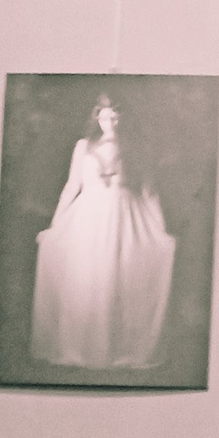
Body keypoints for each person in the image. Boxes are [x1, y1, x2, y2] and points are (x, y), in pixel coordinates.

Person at [30, 94, 176, 369]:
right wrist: (55, 225)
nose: (110, 121)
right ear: (97, 116)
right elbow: (72, 186)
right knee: (89, 277)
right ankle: (84, 349)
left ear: (123, 118)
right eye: (105, 115)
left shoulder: (136, 148)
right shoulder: (83, 147)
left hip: (125, 220)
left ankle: (116, 350)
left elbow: (149, 192)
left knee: (119, 278)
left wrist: (161, 230)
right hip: (88, 219)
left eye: (115, 116)